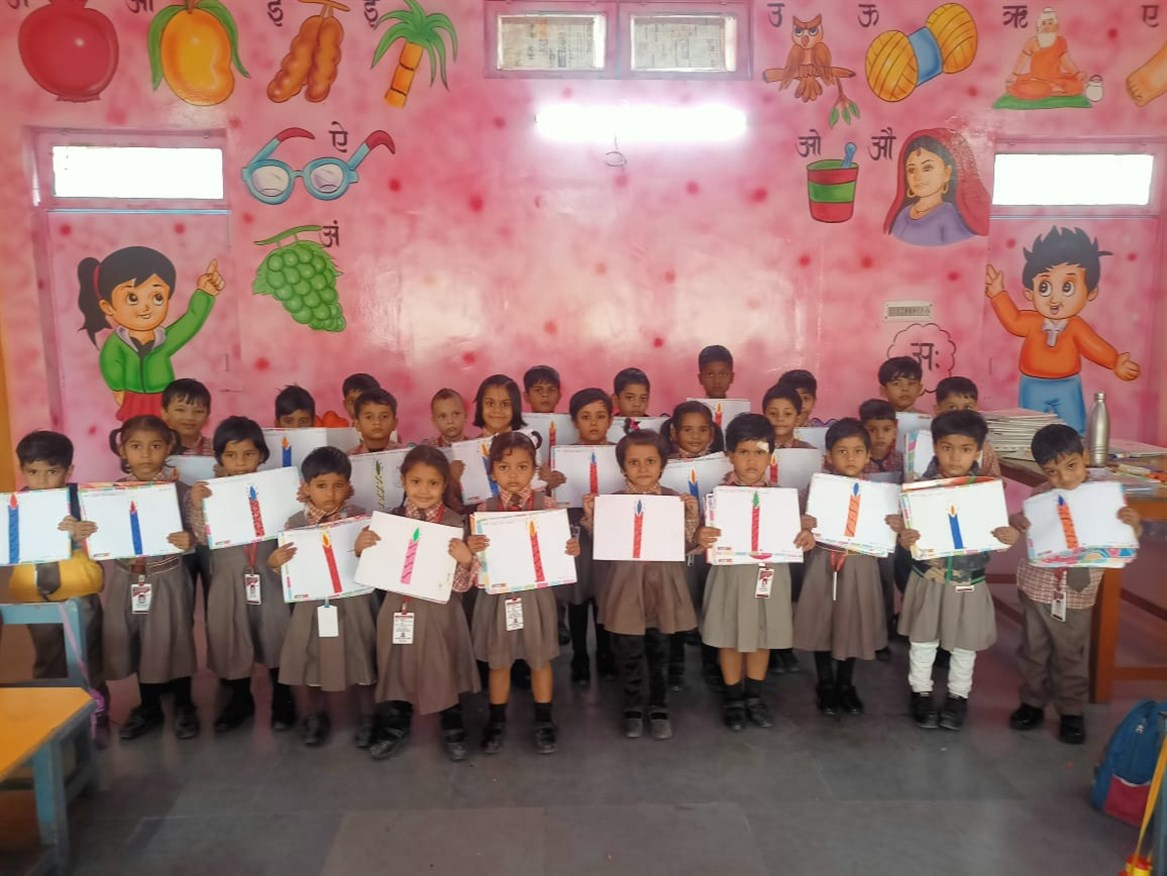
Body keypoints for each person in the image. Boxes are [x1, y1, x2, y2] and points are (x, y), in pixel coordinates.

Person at [1007, 425, 1142, 745]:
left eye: (1071, 466)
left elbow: (1125, 540)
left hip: (1077, 592)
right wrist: (1017, 521)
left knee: (1070, 653)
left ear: (1085, 457)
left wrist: (1133, 524)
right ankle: (1032, 702)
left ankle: (1071, 711)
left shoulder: (1105, 496)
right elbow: (1025, 525)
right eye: (1052, 472)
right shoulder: (1041, 495)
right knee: (1033, 649)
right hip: (1037, 586)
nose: (1064, 478)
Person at [889, 411, 1020, 731]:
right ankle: (920, 692)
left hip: (968, 580)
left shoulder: (987, 492)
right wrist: (904, 537)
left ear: (978, 451)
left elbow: (997, 539)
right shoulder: (918, 490)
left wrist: (1008, 537)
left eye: (965, 449)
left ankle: (958, 696)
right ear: (935, 446)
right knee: (923, 640)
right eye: (947, 448)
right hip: (928, 578)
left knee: (965, 644)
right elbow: (907, 536)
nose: (955, 457)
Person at [356, 446, 480, 762]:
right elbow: (371, 573)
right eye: (416, 482)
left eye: (433, 483)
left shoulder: (454, 522)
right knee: (398, 663)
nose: (424, 490)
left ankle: (452, 726)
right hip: (399, 607)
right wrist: (361, 549)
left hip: (441, 612)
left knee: (444, 664)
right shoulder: (389, 521)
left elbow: (462, 585)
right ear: (403, 481)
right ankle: (396, 724)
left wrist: (466, 560)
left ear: (445, 484)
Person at [699, 414, 816, 731]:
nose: (752, 460)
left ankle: (754, 696)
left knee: (763, 636)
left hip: (770, 575)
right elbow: (699, 536)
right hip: (730, 576)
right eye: (744, 452)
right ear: (729, 455)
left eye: (760, 452)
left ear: (771, 456)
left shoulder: (784, 499)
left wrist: (805, 537)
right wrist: (700, 535)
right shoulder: (717, 497)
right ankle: (733, 698)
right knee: (729, 638)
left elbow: (799, 536)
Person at [583, 430, 698, 740]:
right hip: (626, 584)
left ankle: (659, 704)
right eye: (634, 462)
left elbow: (688, 544)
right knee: (628, 648)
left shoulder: (674, 500)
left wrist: (691, 516)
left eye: (650, 461)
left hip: (663, 582)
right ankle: (632, 705)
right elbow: (602, 543)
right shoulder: (613, 502)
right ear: (623, 468)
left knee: (660, 647)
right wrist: (592, 516)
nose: (643, 468)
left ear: (662, 465)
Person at [469, 432, 579, 755]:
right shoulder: (484, 510)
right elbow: (474, 567)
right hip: (498, 597)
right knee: (499, 661)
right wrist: (471, 548)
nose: (513, 475)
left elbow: (559, 551)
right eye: (504, 467)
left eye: (522, 467)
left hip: (535, 595)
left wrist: (570, 549)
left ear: (534, 469)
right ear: (492, 471)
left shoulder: (548, 506)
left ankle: (544, 719)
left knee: (539, 659)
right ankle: (497, 719)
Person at [187, 417, 296, 734]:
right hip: (228, 576)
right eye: (231, 455)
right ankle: (239, 700)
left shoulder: (276, 487)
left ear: (261, 455)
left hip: (269, 572)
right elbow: (200, 538)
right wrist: (197, 505)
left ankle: (283, 699)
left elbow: (294, 526)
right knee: (231, 634)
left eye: (248, 454)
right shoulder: (208, 492)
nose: (240, 462)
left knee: (275, 631)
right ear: (220, 457)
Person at [271, 447, 378, 747]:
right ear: (305, 488)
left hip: (354, 602)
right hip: (311, 605)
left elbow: (376, 563)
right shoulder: (294, 524)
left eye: (338, 485)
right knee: (310, 658)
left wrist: (363, 548)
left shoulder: (359, 518)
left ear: (348, 486)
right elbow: (288, 573)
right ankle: (313, 716)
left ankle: (369, 716)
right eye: (321, 485)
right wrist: (275, 563)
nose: (330, 494)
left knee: (361, 655)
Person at [985, 226, 1140, 433]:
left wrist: (1115, 361)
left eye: (1067, 287)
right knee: (1030, 430)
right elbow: (1012, 320)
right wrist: (998, 295)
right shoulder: (1032, 322)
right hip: (1033, 384)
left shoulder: (1076, 327)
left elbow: (1094, 346)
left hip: (1067, 385)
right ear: (1030, 293)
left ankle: (1074, 449)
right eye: (1044, 287)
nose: (1054, 299)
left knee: (1074, 428)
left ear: (1091, 292)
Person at [102, 416, 200, 740]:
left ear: (169, 447)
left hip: (167, 575)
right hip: (127, 577)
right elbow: (103, 536)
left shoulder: (181, 492)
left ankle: (185, 704)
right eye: (136, 446)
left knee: (175, 637)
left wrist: (190, 538)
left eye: (155, 446)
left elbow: (200, 532)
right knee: (138, 639)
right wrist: (89, 531)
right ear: (123, 450)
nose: (145, 454)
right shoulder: (109, 495)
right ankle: (150, 707)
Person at [10, 431, 109, 733]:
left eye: (51, 472)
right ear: (23, 470)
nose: (41, 480)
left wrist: (83, 534)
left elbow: (109, 540)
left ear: (68, 471)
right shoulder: (14, 506)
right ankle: (51, 715)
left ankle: (96, 712)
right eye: (33, 472)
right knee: (47, 656)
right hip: (34, 594)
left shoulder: (85, 501)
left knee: (88, 655)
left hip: (78, 590)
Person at [794, 419, 887, 716]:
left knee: (853, 620)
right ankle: (825, 683)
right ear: (828, 456)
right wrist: (803, 523)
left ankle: (846, 683)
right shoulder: (817, 488)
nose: (850, 458)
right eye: (842, 451)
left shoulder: (880, 493)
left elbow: (887, 531)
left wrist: (894, 525)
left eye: (858, 451)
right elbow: (797, 520)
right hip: (823, 561)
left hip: (861, 564)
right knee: (823, 621)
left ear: (868, 455)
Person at [76, 246, 224, 420]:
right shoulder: (117, 343)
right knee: (138, 432)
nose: (146, 307)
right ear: (107, 307)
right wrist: (119, 389)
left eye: (157, 297)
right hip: (133, 400)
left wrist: (205, 294)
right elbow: (110, 363)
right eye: (132, 298)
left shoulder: (164, 340)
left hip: (164, 399)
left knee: (165, 433)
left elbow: (190, 321)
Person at [544, 388, 616, 686]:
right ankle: (580, 656)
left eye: (600, 416)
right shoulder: (561, 457)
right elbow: (548, 500)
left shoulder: (621, 454)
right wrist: (549, 484)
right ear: (574, 421)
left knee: (604, 595)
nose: (594, 423)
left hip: (610, 532)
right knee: (577, 596)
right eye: (586, 417)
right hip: (575, 533)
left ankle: (605, 653)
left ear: (611, 419)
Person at [663, 400, 725, 687]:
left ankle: (711, 660)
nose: (696, 436)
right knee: (678, 602)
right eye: (687, 429)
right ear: (673, 432)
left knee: (711, 603)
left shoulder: (725, 466)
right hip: (678, 549)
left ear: (712, 432)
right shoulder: (662, 466)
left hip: (714, 548)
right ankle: (675, 662)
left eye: (703, 429)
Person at [883, 129, 990, 247]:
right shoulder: (903, 214)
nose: (917, 177)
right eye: (911, 170)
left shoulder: (949, 218)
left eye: (927, 168)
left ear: (947, 172)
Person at [1005, 7, 1086, 100]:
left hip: (1055, 78)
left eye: (1050, 23)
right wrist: (1015, 75)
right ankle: (1049, 89)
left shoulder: (1061, 41)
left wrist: (1076, 73)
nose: (1047, 26)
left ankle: (1051, 88)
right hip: (1037, 80)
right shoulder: (1032, 42)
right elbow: (1021, 60)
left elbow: (1066, 62)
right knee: (1026, 88)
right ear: (1038, 26)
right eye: (1043, 23)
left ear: (1056, 26)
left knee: (1077, 86)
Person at [933, 377, 1001, 477]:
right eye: (952, 407)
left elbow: (995, 481)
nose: (960, 413)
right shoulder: (922, 441)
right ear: (937, 409)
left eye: (967, 407)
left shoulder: (984, 448)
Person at [161, 379, 214, 456]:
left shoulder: (216, 449)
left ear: (207, 415)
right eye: (180, 410)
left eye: (198, 411)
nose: (189, 417)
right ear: (164, 413)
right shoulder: (156, 447)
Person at [763, 384, 815, 450]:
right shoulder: (756, 448)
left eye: (787, 414)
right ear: (764, 417)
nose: (780, 419)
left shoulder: (808, 450)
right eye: (773, 413)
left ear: (797, 418)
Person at [351, 388, 403, 454]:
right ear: (357, 424)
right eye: (369, 417)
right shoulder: (349, 457)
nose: (377, 422)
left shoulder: (405, 455)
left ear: (394, 423)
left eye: (384, 416)